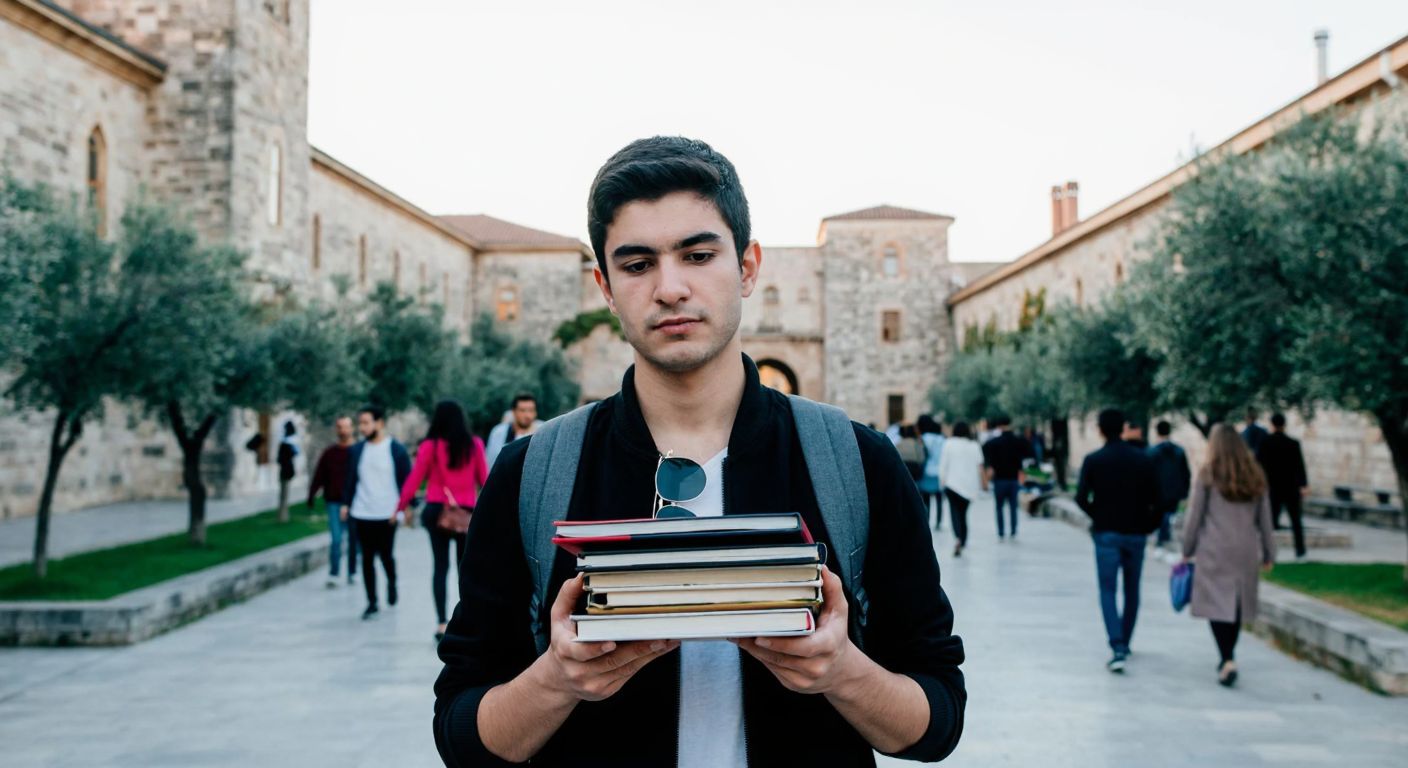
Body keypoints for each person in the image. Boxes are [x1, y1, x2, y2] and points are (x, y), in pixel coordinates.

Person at [433, 136, 965, 766]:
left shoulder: (857, 464)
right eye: (637, 265)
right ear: (605, 286)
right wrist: (558, 679)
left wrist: (842, 670)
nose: (670, 288)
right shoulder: (533, 472)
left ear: (746, 266)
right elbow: (462, 735)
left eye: (697, 254)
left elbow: (937, 724)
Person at [1182, 424, 1277, 687]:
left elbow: (1195, 516)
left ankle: (1226, 657)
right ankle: (1228, 656)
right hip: (1245, 549)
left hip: (1214, 549)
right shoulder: (1255, 475)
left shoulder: (1208, 474)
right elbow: (1265, 520)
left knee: (1216, 604)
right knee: (1235, 604)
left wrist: (1186, 549)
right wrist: (1269, 552)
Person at [1075, 408, 1160, 674]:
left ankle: (1117, 644)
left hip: (1107, 533)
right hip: (1135, 533)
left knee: (1108, 589)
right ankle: (1126, 639)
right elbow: (1158, 500)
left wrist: (1097, 516)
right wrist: (1149, 525)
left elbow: (1080, 497)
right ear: (1123, 428)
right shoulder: (1143, 460)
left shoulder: (1094, 460)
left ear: (1100, 429)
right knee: (1132, 589)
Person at [398, 400, 489, 641]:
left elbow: (415, 478)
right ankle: (467, 620)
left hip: (437, 511)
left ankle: (441, 623)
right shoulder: (474, 445)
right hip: (466, 514)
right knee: (465, 569)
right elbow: (486, 481)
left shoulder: (430, 446)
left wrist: (399, 507)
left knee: (440, 567)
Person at [344, 405, 411, 620]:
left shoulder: (396, 450)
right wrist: (346, 504)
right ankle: (372, 601)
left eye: (365, 422)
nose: (361, 427)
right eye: (360, 423)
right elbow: (351, 480)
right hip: (362, 512)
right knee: (366, 558)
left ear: (379, 423)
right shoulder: (357, 451)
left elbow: (406, 482)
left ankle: (392, 582)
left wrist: (403, 509)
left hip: (387, 514)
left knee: (386, 556)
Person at [308, 415, 358, 588]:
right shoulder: (329, 453)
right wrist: (311, 495)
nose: (343, 430)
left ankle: (353, 571)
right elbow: (319, 475)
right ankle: (334, 573)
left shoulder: (358, 451)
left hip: (355, 503)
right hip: (334, 502)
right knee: (336, 539)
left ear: (352, 428)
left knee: (353, 540)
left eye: (346, 427)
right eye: (340, 427)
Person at [1256, 413, 1310, 559]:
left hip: (1273, 488)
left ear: (1272, 424)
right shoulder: (1293, 444)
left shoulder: (1265, 443)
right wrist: (1304, 485)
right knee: (1296, 521)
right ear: (1284, 424)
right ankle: (1300, 551)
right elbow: (1300, 466)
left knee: (1270, 522)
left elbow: (1258, 466)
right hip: (1291, 488)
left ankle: (1268, 551)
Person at [939, 421, 985, 558]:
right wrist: (983, 484)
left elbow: (943, 465)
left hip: (952, 484)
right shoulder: (974, 445)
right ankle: (963, 540)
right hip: (969, 487)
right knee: (963, 514)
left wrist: (942, 482)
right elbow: (980, 466)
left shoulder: (949, 444)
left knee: (955, 513)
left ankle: (958, 538)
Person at [981, 415, 1031, 540]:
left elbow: (985, 449)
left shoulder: (993, 443)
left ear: (998, 426)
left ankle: (1001, 531)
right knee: (1013, 506)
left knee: (999, 507)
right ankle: (1013, 530)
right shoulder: (1018, 440)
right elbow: (1028, 451)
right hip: (1014, 479)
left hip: (999, 480)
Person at [1148, 420, 1192, 550]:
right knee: (1168, 513)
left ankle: (1162, 537)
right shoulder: (1179, 451)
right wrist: (1185, 491)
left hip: (1158, 490)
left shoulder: (1152, 452)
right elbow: (1186, 473)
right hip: (1174, 490)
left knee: (1161, 514)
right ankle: (1164, 536)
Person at [485, 395, 542, 468]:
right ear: (513, 412)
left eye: (531, 410)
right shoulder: (499, 432)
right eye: (522, 410)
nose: (527, 415)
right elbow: (490, 461)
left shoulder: (542, 431)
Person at [917, 415, 946, 530]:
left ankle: (927, 520)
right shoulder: (942, 439)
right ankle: (939, 521)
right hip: (939, 471)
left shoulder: (923, 438)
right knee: (939, 498)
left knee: (926, 498)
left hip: (927, 471)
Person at [276, 420, 301, 520]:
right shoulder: (290, 442)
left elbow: (281, 458)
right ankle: (283, 515)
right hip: (287, 469)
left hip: (286, 469)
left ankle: (283, 516)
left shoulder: (287, 443)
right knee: (284, 493)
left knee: (284, 493)